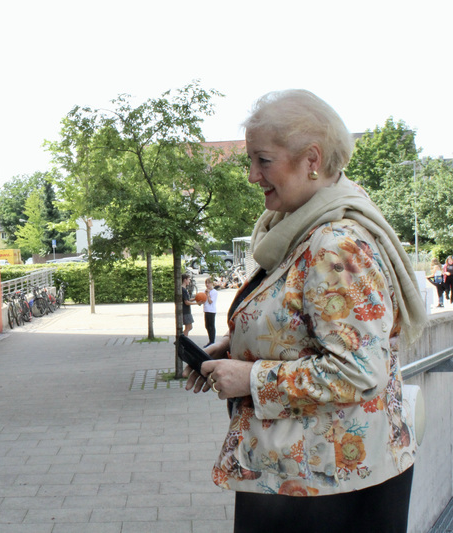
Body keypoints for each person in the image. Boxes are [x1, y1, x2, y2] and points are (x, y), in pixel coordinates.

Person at [182, 90, 427, 533]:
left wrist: (251, 378)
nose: (253, 176)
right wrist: (235, 348)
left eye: (263, 160)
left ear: (311, 158)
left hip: (328, 489)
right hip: (306, 476)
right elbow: (302, 327)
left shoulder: (336, 245)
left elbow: (358, 368)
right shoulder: (299, 230)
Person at [202, 277, 218, 347]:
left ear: (212, 284)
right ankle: (210, 339)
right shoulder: (204, 291)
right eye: (206, 283)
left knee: (211, 325)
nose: (207, 285)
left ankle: (212, 341)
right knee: (207, 325)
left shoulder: (214, 292)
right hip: (206, 310)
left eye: (209, 283)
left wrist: (208, 294)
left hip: (211, 310)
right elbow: (202, 299)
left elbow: (211, 301)